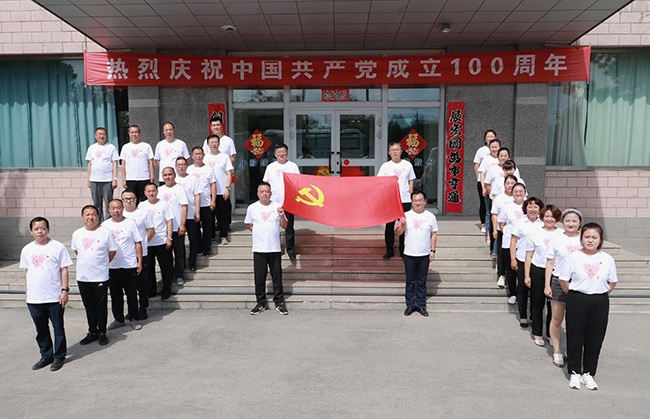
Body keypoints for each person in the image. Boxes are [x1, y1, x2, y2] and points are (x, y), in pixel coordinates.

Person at [559, 223, 617, 390]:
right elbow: (564, 280)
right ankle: (575, 372)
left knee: (595, 337)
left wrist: (598, 292)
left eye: (594, 237)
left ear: (600, 239)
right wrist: (577, 293)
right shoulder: (573, 257)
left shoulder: (607, 258)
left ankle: (589, 373)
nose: (590, 240)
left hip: (599, 301)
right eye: (587, 237)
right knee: (575, 336)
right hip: (577, 299)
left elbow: (612, 282)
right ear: (581, 238)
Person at [20, 217, 73, 371]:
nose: (40, 231)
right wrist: (28, 291)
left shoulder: (57, 247)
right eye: (36, 229)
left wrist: (64, 290)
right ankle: (46, 355)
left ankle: (59, 356)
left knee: (58, 328)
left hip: (54, 296)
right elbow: (27, 271)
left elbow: (64, 269)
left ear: (48, 230)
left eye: (43, 228)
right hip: (34, 298)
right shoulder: (27, 249)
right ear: (31, 231)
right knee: (41, 329)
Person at [71, 205, 117, 346]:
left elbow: (112, 252)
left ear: (98, 216)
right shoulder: (77, 233)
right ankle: (92, 331)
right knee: (89, 306)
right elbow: (77, 252)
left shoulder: (105, 232)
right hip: (83, 277)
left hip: (100, 276)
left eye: (93, 214)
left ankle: (102, 332)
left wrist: (101, 264)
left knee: (101, 306)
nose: (90, 217)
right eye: (87, 214)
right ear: (82, 217)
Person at [545, 208, 583, 368]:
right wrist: (547, 285)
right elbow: (550, 263)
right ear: (563, 222)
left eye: (574, 220)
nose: (571, 223)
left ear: (580, 223)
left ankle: (572, 350)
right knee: (556, 318)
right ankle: (557, 351)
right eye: (567, 220)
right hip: (559, 282)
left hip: (579, 284)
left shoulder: (584, 238)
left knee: (576, 320)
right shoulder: (556, 239)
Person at [245, 182, 289, 315]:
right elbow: (249, 224)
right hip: (259, 248)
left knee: (277, 277)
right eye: (262, 191)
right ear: (258, 194)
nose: (264, 194)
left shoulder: (277, 206)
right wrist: (260, 233)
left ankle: (279, 302)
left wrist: (281, 215)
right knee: (259, 277)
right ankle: (260, 303)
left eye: (267, 191)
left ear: (271, 193)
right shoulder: (252, 208)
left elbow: (285, 225)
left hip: (274, 248)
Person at [524, 204, 563, 347]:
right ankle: (538, 333)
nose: (549, 219)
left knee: (553, 306)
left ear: (557, 218)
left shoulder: (561, 234)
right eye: (547, 216)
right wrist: (527, 276)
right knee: (537, 303)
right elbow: (529, 256)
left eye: (552, 216)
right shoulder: (535, 233)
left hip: (556, 272)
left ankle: (551, 334)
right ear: (542, 217)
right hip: (538, 271)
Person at [102, 199, 143, 331]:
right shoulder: (105, 225)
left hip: (129, 264)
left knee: (131, 293)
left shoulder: (130, 223)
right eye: (113, 208)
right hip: (112, 266)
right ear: (109, 210)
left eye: (118, 208)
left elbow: (138, 243)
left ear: (122, 208)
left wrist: (139, 261)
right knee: (115, 294)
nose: (116, 211)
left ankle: (134, 318)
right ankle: (119, 319)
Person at [395, 190, 438, 317]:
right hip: (409, 253)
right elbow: (398, 232)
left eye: (420, 200)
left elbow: (433, 234)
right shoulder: (406, 215)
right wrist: (402, 224)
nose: (417, 203)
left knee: (421, 281)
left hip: (424, 254)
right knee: (410, 281)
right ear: (412, 202)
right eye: (415, 200)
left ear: (425, 201)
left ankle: (421, 305)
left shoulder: (430, 216)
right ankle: (410, 305)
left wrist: (433, 250)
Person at [509, 194, 544, 328]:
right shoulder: (520, 222)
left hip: (537, 261)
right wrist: (513, 258)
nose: (533, 209)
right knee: (522, 288)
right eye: (530, 206)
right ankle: (523, 316)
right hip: (522, 259)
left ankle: (534, 316)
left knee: (536, 290)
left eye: (536, 207)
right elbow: (514, 241)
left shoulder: (543, 223)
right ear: (525, 208)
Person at [377, 141, 416, 259]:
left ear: (401, 151)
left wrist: (409, 192)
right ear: (389, 152)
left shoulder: (407, 165)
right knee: (389, 225)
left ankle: (403, 250)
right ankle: (390, 250)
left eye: (397, 149)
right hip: (390, 200)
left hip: (404, 200)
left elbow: (411, 180)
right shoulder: (385, 166)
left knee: (403, 224)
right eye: (393, 150)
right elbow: (380, 182)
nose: (395, 152)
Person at [263, 142, 300, 259]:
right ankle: (275, 249)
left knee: (289, 227)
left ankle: (291, 251)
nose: (281, 154)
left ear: (287, 153)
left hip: (288, 201)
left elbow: (298, 182)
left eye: (283, 152)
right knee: (273, 226)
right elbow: (266, 183)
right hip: (274, 201)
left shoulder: (293, 166)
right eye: (279, 152)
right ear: (275, 154)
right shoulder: (271, 167)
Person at [122, 189, 155, 320]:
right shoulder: (120, 214)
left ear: (136, 200)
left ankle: (143, 308)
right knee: (129, 286)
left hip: (141, 254)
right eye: (126, 199)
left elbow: (151, 231)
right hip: (125, 255)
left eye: (131, 198)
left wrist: (143, 244)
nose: (129, 201)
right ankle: (132, 310)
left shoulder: (143, 213)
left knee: (142, 283)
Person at [138, 183, 174, 300]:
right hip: (147, 242)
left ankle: (166, 290)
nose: (151, 193)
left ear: (157, 192)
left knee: (166, 267)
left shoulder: (164, 204)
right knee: (149, 268)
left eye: (153, 191)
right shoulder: (141, 205)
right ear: (145, 193)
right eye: (148, 191)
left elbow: (169, 221)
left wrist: (169, 238)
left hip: (162, 241)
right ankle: (151, 290)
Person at [203, 116, 237, 232]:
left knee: (225, 204)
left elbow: (233, 157)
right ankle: (216, 227)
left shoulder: (228, 141)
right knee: (213, 205)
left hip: (224, 176)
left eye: (218, 125)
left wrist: (225, 167)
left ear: (222, 126)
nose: (216, 127)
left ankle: (225, 225)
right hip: (210, 181)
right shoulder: (207, 141)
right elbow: (204, 158)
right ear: (211, 127)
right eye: (214, 125)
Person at [158, 167, 189, 286]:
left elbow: (184, 207)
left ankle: (179, 275)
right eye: (165, 175)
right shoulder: (159, 190)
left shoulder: (180, 189)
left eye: (170, 174)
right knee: (165, 255)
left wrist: (182, 224)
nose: (167, 177)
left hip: (177, 226)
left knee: (179, 252)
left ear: (174, 175)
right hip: (164, 229)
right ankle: (167, 276)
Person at [204, 134, 234, 246]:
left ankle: (223, 235)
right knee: (210, 216)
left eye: (216, 142)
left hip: (222, 190)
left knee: (223, 215)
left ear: (219, 144)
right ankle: (211, 236)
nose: (214, 144)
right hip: (208, 192)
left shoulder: (224, 157)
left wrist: (227, 188)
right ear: (207, 144)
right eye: (211, 142)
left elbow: (228, 173)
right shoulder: (205, 157)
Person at [187, 147, 217, 256]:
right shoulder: (189, 169)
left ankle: (206, 248)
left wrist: (213, 200)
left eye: (200, 154)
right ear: (192, 156)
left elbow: (213, 185)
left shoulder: (208, 169)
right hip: (193, 205)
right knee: (195, 228)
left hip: (206, 202)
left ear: (203, 155)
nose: (198, 156)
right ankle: (198, 248)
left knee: (207, 227)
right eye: (196, 154)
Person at [85, 127, 119, 222]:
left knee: (109, 202)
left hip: (107, 180)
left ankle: (109, 222)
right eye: (99, 134)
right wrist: (88, 179)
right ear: (95, 136)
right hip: (94, 180)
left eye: (103, 134)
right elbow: (89, 164)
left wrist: (115, 178)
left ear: (106, 135)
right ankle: (98, 222)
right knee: (96, 203)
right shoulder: (92, 148)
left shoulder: (111, 147)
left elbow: (115, 164)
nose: (101, 136)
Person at [174, 157, 202, 272]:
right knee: (179, 243)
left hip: (191, 214)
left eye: (183, 164)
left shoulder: (193, 179)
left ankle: (192, 261)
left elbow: (197, 196)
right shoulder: (173, 179)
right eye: (179, 165)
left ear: (187, 165)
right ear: (176, 167)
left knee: (194, 239)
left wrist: (197, 211)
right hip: (178, 217)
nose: (181, 167)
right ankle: (181, 265)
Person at [492, 174, 517, 289]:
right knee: (502, 254)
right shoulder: (499, 198)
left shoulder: (520, 199)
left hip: (517, 233)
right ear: (504, 185)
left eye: (512, 183)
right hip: (502, 231)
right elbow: (494, 215)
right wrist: (495, 230)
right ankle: (501, 275)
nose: (510, 185)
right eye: (508, 183)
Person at [120, 124, 155, 202]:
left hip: (144, 178)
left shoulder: (146, 146)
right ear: (129, 134)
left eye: (136, 132)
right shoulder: (125, 147)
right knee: (132, 201)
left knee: (144, 201)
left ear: (139, 133)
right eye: (132, 132)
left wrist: (152, 177)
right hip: (130, 178)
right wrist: (123, 179)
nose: (134, 134)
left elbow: (150, 163)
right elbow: (123, 165)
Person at [479, 138, 501, 248]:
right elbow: (482, 174)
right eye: (492, 147)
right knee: (489, 213)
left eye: (496, 147)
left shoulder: (503, 159)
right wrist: (484, 188)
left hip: (501, 193)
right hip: (490, 190)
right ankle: (488, 234)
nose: (494, 149)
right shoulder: (486, 160)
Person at [473, 129, 496, 232]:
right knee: (483, 202)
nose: (490, 138)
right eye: (488, 137)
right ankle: (483, 224)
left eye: (492, 136)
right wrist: (478, 178)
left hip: (494, 182)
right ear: (485, 139)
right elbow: (476, 165)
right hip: (482, 181)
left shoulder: (498, 150)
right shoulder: (481, 150)